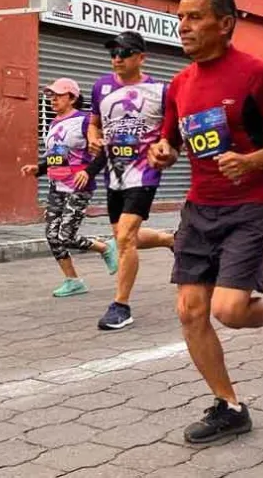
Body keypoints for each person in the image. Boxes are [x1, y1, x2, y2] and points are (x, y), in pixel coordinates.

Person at [148, 0, 263, 444]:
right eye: (180, 17)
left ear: (225, 23)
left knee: (230, 310)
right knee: (190, 310)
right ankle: (230, 406)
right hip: (199, 208)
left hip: (248, 206)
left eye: (194, 17)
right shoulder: (179, 84)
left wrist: (251, 161)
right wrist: (161, 150)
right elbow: (170, 140)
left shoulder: (254, 74)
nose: (184, 26)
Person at [86, 30, 176, 331]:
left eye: (123, 53)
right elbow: (94, 124)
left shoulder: (160, 91)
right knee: (125, 237)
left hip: (144, 171)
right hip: (115, 173)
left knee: (124, 237)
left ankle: (121, 306)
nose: (116, 59)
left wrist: (165, 145)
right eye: (113, 53)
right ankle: (169, 239)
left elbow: (171, 131)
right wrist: (93, 138)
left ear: (141, 57)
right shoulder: (101, 86)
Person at [21, 79, 119, 297]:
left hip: (78, 185)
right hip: (57, 185)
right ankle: (73, 281)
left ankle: (105, 247)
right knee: (52, 235)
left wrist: (89, 172)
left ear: (72, 98)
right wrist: (38, 168)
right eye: (50, 96)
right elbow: (57, 157)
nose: (52, 99)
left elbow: (104, 152)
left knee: (66, 235)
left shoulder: (85, 121)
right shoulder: (54, 123)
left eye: (58, 95)